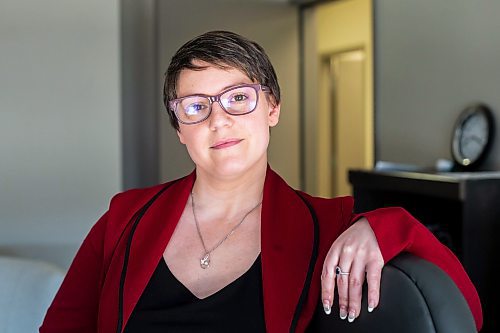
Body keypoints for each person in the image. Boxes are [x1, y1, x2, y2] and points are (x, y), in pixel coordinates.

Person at [40, 31, 482, 332]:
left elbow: (466, 312)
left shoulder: (330, 223)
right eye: (196, 106)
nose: (219, 120)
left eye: (238, 98)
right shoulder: (125, 216)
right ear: (179, 128)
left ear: (272, 108)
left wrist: (386, 224)